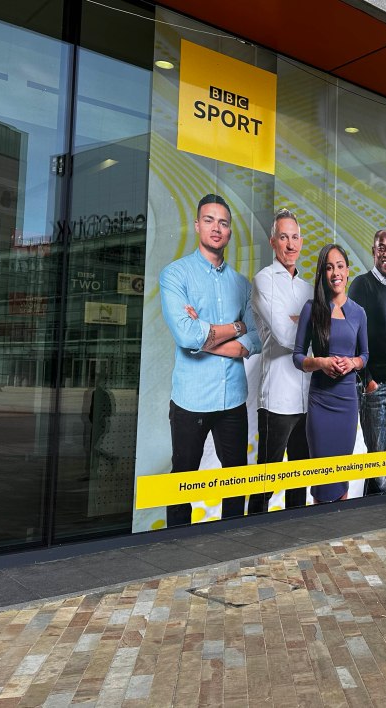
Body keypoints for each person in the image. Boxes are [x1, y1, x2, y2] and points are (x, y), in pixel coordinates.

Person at [159, 193, 261, 527]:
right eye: (209, 220)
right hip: (191, 400)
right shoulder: (175, 275)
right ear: (197, 225)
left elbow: (256, 339)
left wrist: (204, 337)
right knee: (182, 480)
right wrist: (235, 326)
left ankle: (233, 542)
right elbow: (186, 336)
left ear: (230, 232)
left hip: (232, 399)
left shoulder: (242, 285)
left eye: (223, 223)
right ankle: (174, 546)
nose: (216, 228)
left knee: (236, 481)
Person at [293, 243, 369, 503]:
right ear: (323, 274)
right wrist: (322, 362)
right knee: (322, 479)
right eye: (329, 267)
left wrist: (353, 363)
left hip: (347, 403)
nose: (335, 272)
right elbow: (298, 356)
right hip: (321, 403)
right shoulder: (311, 309)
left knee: (341, 478)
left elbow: (365, 355)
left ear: (348, 271)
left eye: (339, 266)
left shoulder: (359, 312)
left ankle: (340, 537)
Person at [250, 208, 312, 512]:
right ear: (273, 241)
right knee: (266, 481)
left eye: (295, 237)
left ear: (302, 241)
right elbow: (288, 335)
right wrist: (303, 323)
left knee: (299, 480)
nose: (291, 244)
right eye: (284, 237)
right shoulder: (263, 280)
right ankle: (252, 538)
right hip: (277, 400)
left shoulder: (308, 288)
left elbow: (317, 335)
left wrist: (298, 321)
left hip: (306, 398)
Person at [348, 229, 386, 495]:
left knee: (383, 459)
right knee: (380, 464)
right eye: (380, 247)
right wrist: (367, 380)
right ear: (373, 252)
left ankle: (369, 513)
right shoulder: (361, 285)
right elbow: (352, 337)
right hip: (374, 387)